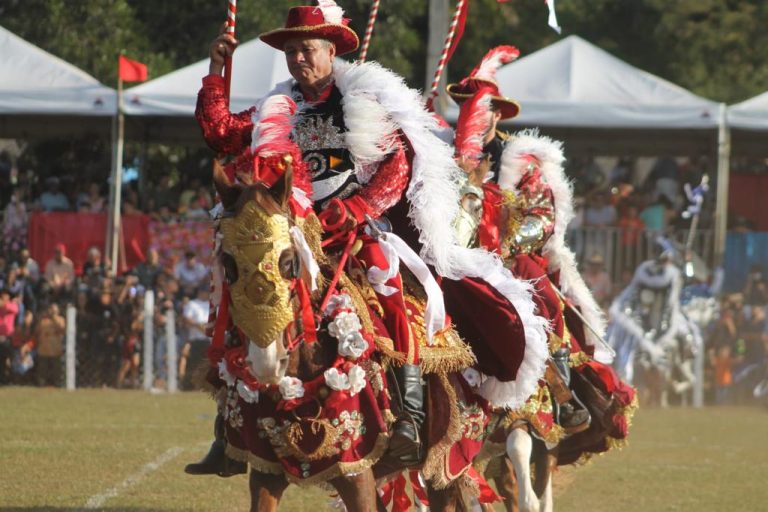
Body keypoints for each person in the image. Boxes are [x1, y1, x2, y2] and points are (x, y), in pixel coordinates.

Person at [192, 1, 438, 475]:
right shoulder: (275, 107)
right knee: (236, 288)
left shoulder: (359, 104)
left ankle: (408, 414)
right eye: (291, 52)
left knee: (388, 280)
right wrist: (217, 69)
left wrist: (361, 207)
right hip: (290, 230)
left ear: (330, 51)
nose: (298, 59)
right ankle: (228, 427)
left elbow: (397, 163)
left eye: (307, 49)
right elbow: (221, 136)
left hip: (350, 226)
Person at [446, 46, 629, 435]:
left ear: (497, 113)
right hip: (450, 255)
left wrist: (505, 245)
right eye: (468, 108)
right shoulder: (441, 157)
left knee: (543, 297)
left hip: (510, 255)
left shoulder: (521, 160)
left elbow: (542, 217)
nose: (476, 116)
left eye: (483, 108)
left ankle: (563, 395)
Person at [34, 303, 65, 387]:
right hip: (44, 350)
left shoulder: (61, 319)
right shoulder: (43, 320)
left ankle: (57, 384)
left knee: (56, 371)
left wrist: (54, 318)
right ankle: (41, 384)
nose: (52, 312)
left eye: (55, 310)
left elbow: (62, 329)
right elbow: (37, 332)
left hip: (56, 350)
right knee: (42, 371)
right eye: (51, 309)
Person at [0, 288, 20, 384]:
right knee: (1, 360)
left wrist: (4, 304)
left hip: (8, 338)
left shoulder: (11, 305)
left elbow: (15, 310)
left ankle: (12, 379)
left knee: (10, 359)